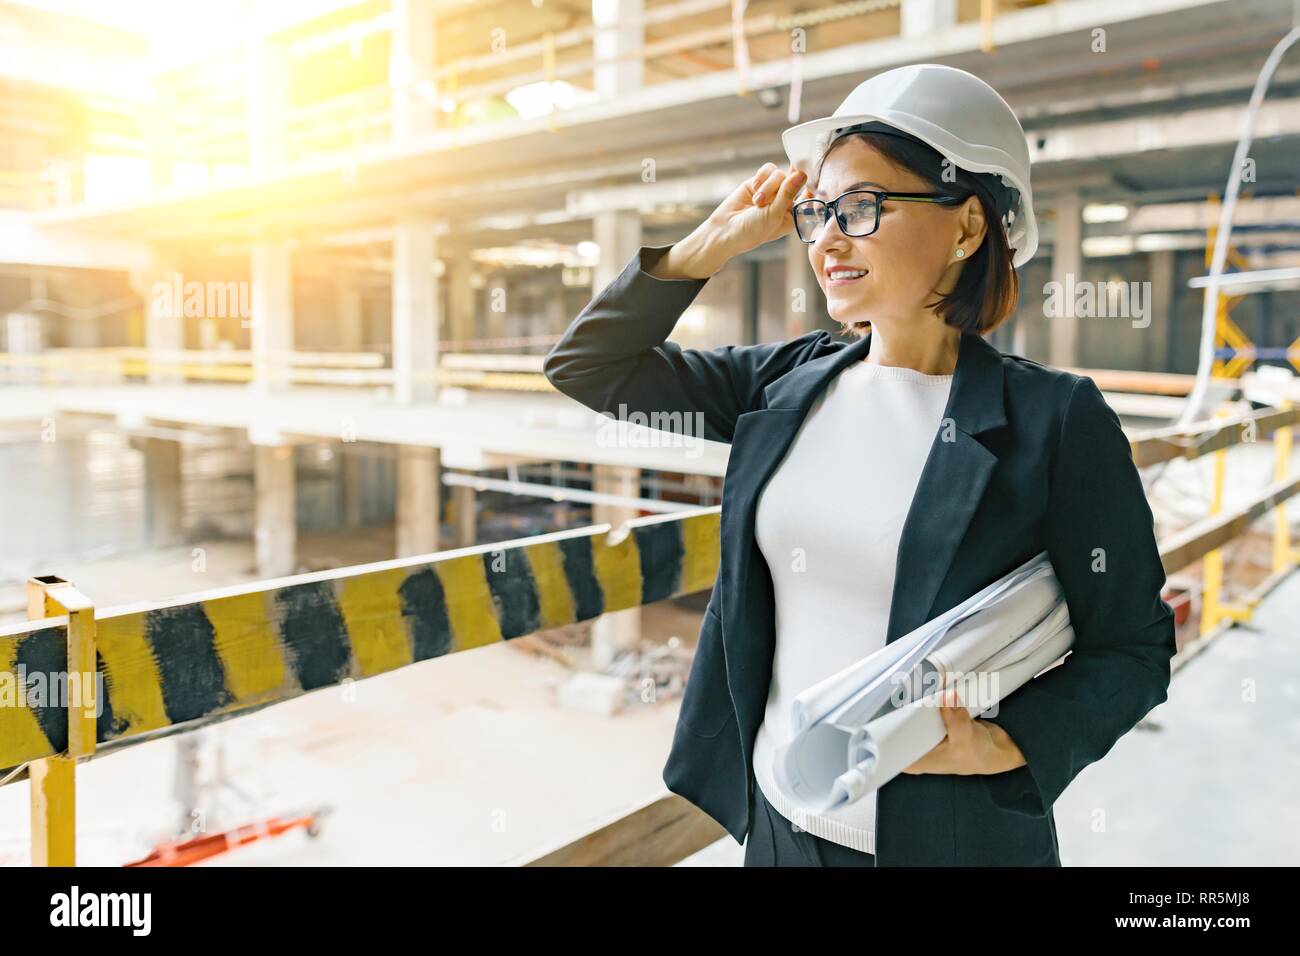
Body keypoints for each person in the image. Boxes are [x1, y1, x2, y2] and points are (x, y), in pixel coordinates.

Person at [543, 64, 1176, 866]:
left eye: (862, 208)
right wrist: (713, 244)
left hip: (950, 844)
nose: (826, 240)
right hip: (778, 827)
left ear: (968, 227)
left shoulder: (1055, 421)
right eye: (817, 213)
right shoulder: (784, 384)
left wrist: (1007, 744)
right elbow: (589, 367)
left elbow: (1133, 647)